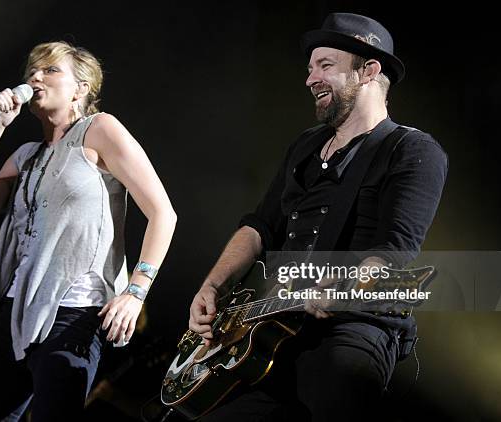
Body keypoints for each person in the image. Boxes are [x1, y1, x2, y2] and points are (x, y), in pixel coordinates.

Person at [188, 13, 447, 420]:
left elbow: (394, 254)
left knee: (340, 386)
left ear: (369, 71)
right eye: (310, 68)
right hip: (272, 331)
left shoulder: (412, 151)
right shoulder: (306, 146)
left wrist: (346, 284)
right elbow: (259, 225)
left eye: (326, 65)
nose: (310, 79)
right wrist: (213, 284)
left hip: (353, 328)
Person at [0, 41, 177, 421]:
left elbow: (163, 212)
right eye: (32, 72)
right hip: (17, 310)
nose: (36, 78)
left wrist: (137, 291)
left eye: (49, 70)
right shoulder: (27, 154)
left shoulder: (100, 130)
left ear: (81, 89)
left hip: (75, 312)